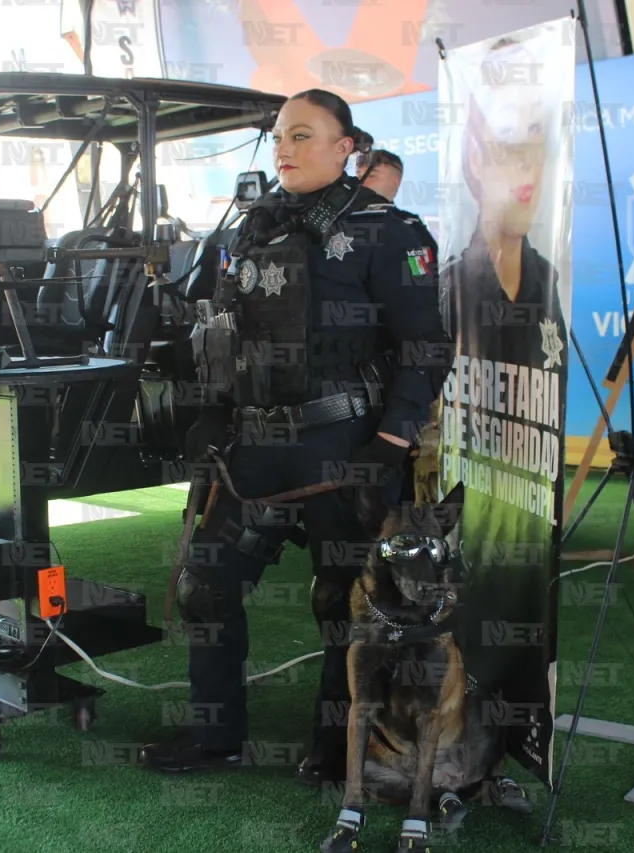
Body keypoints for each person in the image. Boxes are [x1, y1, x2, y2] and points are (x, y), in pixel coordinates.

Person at [138, 89, 450, 783]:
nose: (284, 148)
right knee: (207, 585)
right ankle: (214, 734)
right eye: (280, 135)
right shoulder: (253, 226)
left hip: (345, 448)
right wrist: (211, 407)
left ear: (346, 148)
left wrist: (393, 445)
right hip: (254, 446)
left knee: (341, 600)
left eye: (303, 136)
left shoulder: (388, 229)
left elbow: (426, 347)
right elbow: (222, 330)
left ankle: (339, 744)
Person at [435, 35, 569, 816]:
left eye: (539, 151)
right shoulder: (454, 288)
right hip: (470, 518)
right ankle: (453, 771)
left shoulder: (551, 286)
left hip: (529, 522)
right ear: (477, 159)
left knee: (524, 630)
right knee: (469, 636)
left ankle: (508, 757)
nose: (527, 172)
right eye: (511, 148)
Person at [356, 146, 438, 258]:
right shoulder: (340, 219)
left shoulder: (409, 224)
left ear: (395, 182)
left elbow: (421, 272)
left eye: (371, 175)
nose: (361, 182)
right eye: (358, 176)